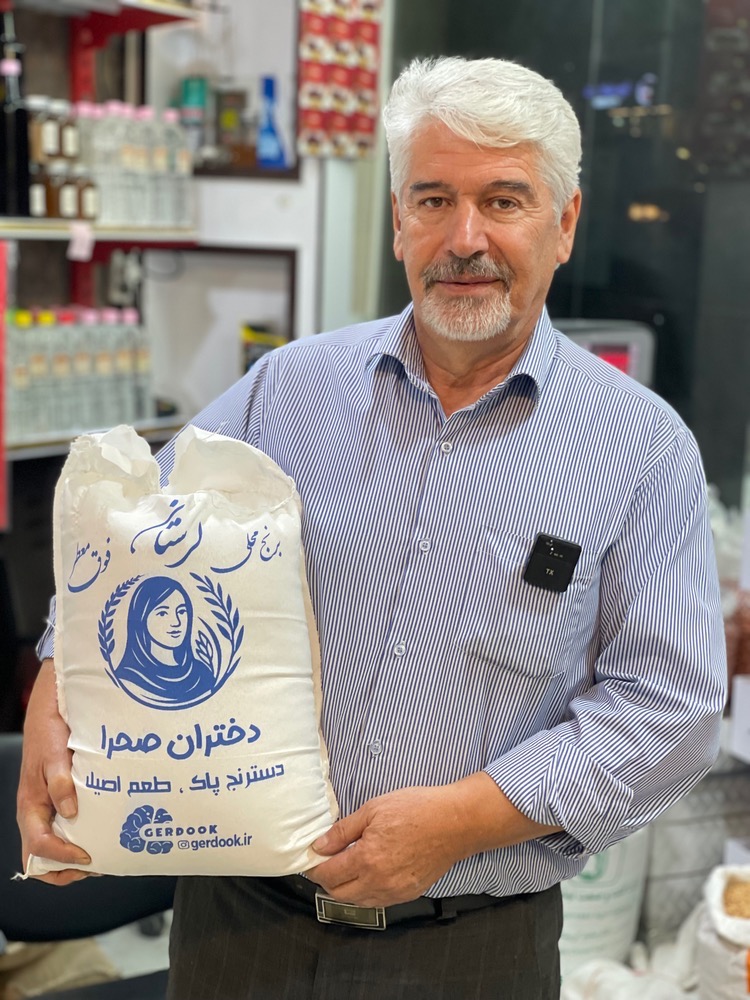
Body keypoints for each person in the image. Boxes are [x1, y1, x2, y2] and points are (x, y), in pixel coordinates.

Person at [17, 56, 726, 999]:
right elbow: (126, 546)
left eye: (503, 200)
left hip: (468, 949)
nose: (464, 238)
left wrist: (464, 821)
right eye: (432, 200)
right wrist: (53, 683)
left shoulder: (640, 448)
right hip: (239, 927)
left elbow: (668, 710)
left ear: (564, 223)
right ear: (397, 220)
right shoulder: (287, 390)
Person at [112, 575, 215, 706]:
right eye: (162, 613)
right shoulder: (128, 678)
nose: (176, 622)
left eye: (181, 611)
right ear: (142, 618)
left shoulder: (201, 674)